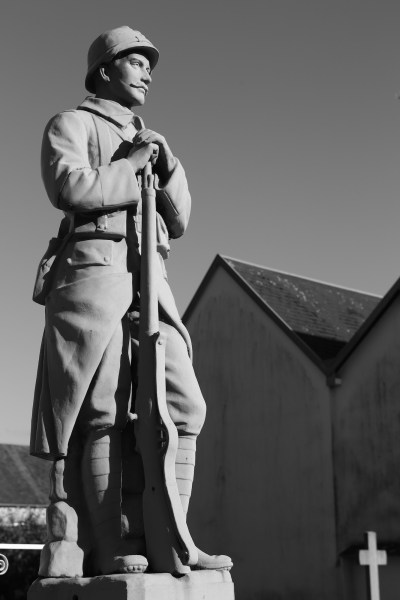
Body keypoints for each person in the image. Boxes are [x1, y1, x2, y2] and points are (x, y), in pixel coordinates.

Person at [31, 26, 232, 577]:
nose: (147, 73)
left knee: (186, 407)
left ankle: (176, 539)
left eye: (149, 65)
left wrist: (166, 166)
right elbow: (68, 187)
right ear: (104, 70)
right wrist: (131, 162)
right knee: (104, 413)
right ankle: (111, 543)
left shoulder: (152, 140)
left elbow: (179, 220)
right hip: (94, 277)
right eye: (136, 61)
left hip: (151, 281)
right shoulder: (71, 123)